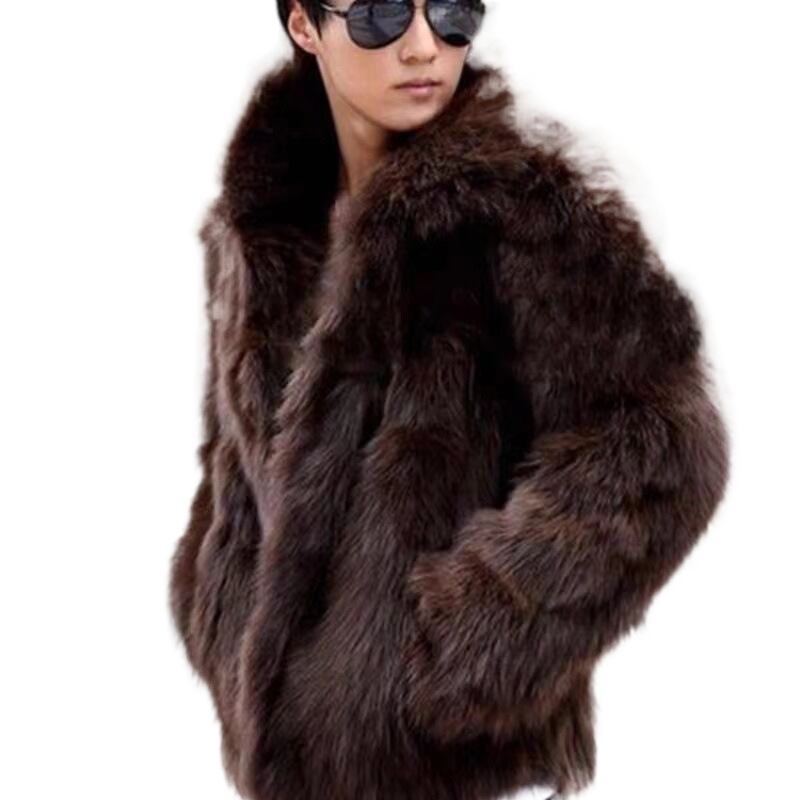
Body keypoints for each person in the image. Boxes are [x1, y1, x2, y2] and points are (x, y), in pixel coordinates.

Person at [168, 1, 730, 799]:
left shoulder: (522, 211)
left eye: (453, 12)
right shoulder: (259, 228)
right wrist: (222, 613)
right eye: (382, 15)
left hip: (467, 769)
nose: (426, 46)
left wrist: (474, 643)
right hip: (290, 763)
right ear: (303, 25)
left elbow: (667, 446)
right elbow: (235, 451)